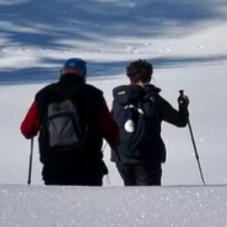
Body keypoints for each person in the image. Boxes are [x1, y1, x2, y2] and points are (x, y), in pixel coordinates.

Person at [20, 57, 120, 186]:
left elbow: (27, 130)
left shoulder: (44, 94)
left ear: (61, 72)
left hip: (53, 166)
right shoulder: (93, 95)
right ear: (83, 74)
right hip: (88, 167)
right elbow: (108, 129)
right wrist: (115, 143)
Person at [110, 58, 190, 186]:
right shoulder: (153, 99)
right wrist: (183, 105)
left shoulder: (120, 98)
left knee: (130, 195)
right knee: (149, 199)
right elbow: (180, 121)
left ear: (129, 76)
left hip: (121, 157)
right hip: (147, 156)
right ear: (150, 76)